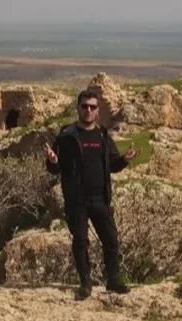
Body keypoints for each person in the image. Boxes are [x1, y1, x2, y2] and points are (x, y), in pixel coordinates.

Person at [43, 90, 140, 300]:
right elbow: (55, 168)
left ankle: (113, 280)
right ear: (78, 108)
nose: (88, 110)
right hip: (76, 200)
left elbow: (112, 166)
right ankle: (85, 284)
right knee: (80, 242)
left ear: (98, 111)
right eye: (84, 106)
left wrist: (125, 159)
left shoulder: (103, 136)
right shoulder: (67, 136)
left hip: (100, 198)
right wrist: (52, 160)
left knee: (111, 239)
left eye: (92, 107)